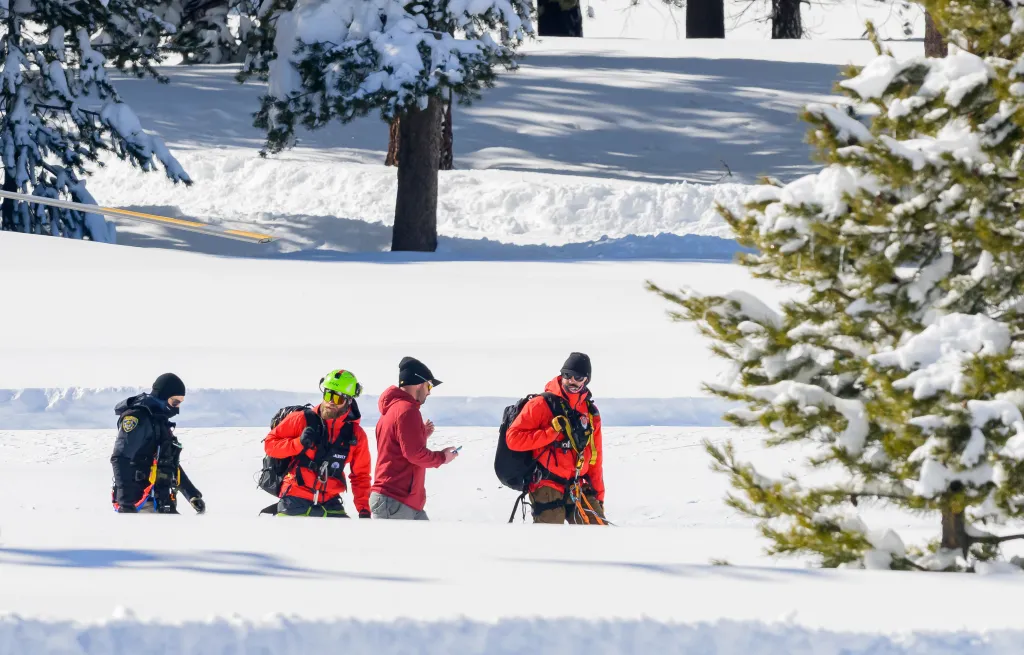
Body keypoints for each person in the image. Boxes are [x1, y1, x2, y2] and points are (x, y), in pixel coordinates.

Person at [506, 353, 607, 525]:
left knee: (597, 532)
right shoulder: (540, 404)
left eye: (578, 377)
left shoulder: (590, 412)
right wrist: (550, 433)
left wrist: (599, 496)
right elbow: (513, 439)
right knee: (549, 542)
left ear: (586, 380)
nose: (571, 380)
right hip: (547, 483)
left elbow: (595, 459)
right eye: (567, 375)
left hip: (577, 485)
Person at [263, 369, 372, 517]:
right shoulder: (300, 419)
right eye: (328, 395)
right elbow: (270, 445)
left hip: (330, 501)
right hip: (294, 497)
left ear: (349, 401)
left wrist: (364, 509)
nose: (330, 402)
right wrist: (298, 443)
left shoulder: (356, 435)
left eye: (338, 399)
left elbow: (361, 476)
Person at [370, 357, 459, 520]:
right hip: (395, 501)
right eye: (429, 385)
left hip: (401, 501)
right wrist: (442, 458)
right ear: (419, 383)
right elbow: (414, 454)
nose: (430, 392)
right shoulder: (407, 410)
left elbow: (395, 447)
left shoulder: (392, 409)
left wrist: (420, 434)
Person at [110, 373, 205, 514]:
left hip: (161, 501)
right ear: (163, 396)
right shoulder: (137, 417)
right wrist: (126, 504)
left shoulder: (159, 420)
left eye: (180, 403)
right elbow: (119, 458)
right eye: (175, 402)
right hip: (140, 503)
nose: (177, 409)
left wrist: (191, 494)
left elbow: (169, 462)